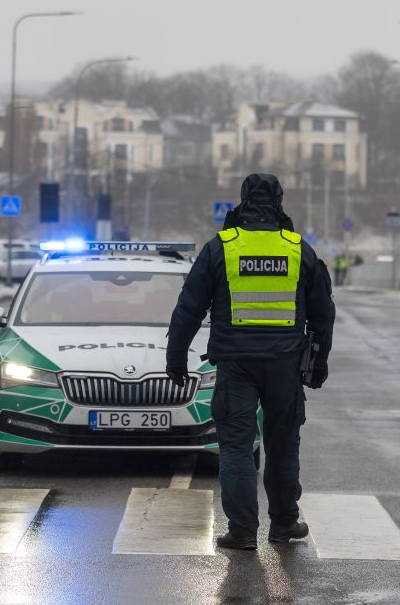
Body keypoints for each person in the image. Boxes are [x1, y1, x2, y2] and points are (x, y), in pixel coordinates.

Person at [166, 173, 335, 551]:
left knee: (237, 447)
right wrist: (319, 362)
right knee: (282, 445)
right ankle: (284, 524)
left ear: (242, 200)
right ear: (279, 201)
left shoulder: (221, 248)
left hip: (236, 364)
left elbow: (189, 307)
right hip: (285, 364)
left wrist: (176, 356)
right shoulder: (298, 248)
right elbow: (324, 314)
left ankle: (242, 532)